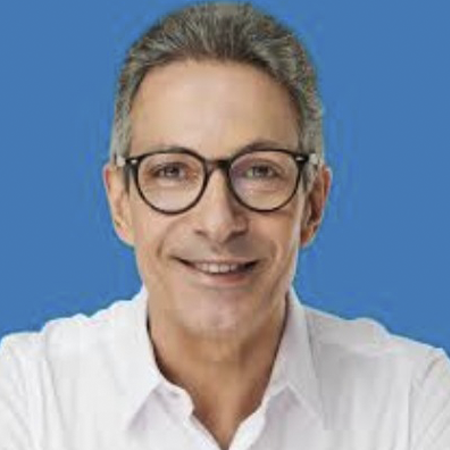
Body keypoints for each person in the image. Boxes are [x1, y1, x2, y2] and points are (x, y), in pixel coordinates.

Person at [1, 2, 449, 449]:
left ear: (313, 204)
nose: (218, 223)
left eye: (259, 171)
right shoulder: (26, 395)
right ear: (120, 202)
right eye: (172, 171)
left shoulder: (414, 399)